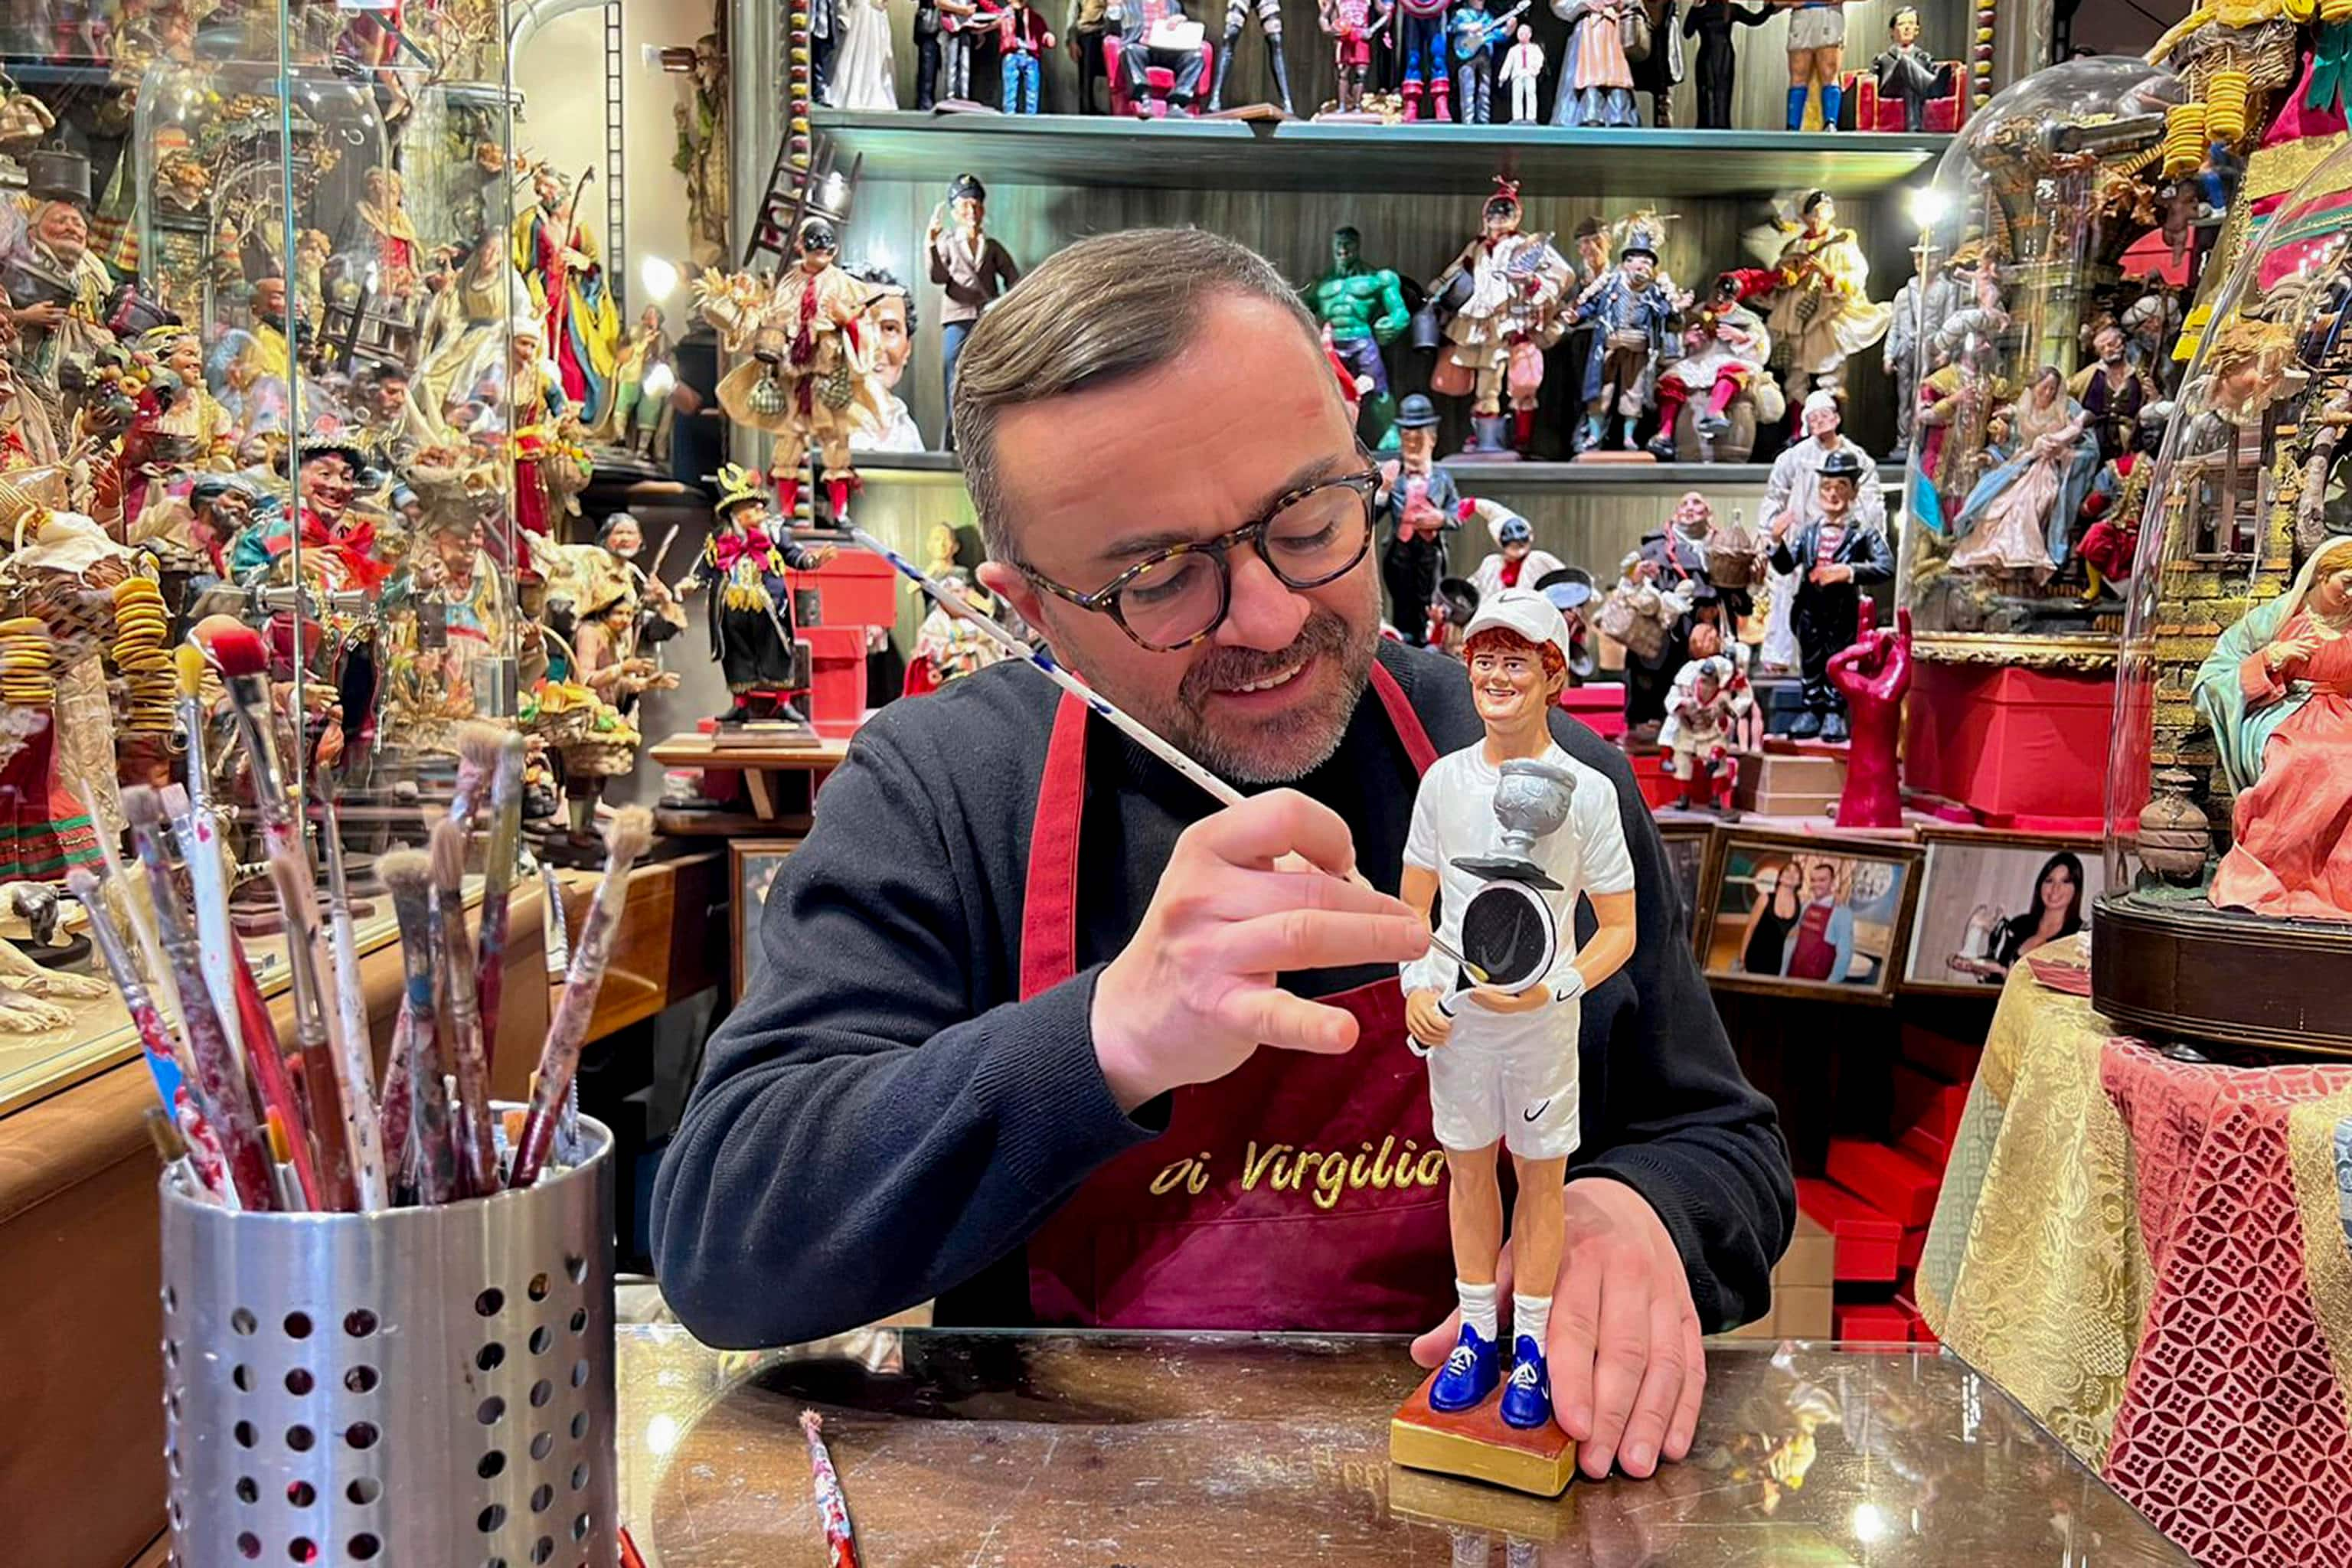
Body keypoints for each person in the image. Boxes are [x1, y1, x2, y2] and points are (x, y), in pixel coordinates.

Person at [652, 228, 1793, 1485]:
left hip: (1490, 1495)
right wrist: (1105, 1037)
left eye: (1307, 516)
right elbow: (723, 1237)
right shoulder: (941, 788)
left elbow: (1719, 1143)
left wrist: (1634, 1214)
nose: (1270, 616)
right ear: (1027, 606)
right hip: (1068, 1512)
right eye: (1155, 575)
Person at [1400, 589, 1638, 1430]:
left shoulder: (1590, 789)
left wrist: (1558, 985)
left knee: (1541, 1178)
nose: (1497, 676)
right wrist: (1418, 987)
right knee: (1467, 1169)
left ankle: (1530, 1344)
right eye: (1486, 660)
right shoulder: (1441, 782)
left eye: (1516, 661)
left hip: (1542, 1027)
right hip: (1461, 1026)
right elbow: (1413, 912)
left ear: (1552, 674)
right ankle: (1477, 1331)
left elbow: (1619, 928)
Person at [2198, 535, 2352, 920]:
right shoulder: (2280, 617)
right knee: (2304, 759)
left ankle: (2337, 886)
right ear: (2322, 574)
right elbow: (2214, 676)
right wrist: (2270, 657)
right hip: (2290, 712)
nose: (2351, 594)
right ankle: (2267, 876)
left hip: (2346, 714)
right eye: (2346, 582)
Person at [1767, 445, 1893, 740]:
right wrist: (1776, 541)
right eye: (1826, 488)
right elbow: (1786, 566)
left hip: (1842, 614)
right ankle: (1812, 709)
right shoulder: (1809, 532)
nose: (1832, 495)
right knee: (1811, 660)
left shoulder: (1863, 533)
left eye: (1840, 487)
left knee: (1838, 660)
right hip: (1810, 610)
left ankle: (1835, 713)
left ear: (1853, 491)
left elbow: (1885, 566)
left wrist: (1848, 572)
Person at [1759, 390, 1881, 675]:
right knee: (1789, 596)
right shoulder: (1794, 457)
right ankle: (1781, 656)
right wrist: (1770, 530)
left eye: (1825, 415)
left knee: (1840, 607)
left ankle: (1841, 665)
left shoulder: (1857, 458)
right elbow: (1775, 493)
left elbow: (1872, 500)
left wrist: (1859, 532)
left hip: (1839, 543)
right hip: (1803, 537)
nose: (1820, 422)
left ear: (1837, 418)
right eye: (1813, 418)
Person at [1949, 365, 2099, 580]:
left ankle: (2019, 559)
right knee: (1995, 505)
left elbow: (2087, 447)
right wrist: (1991, 456)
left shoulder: (2068, 409)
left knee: (2030, 503)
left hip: (2049, 470)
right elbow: (2013, 447)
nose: (2048, 393)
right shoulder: (2023, 408)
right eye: (2044, 387)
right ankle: (1993, 557)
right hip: (2021, 465)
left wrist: (2063, 453)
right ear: (2033, 386)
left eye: (2053, 389)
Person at [928, 175, 1021, 449]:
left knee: (989, 373)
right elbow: (937, 276)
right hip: (957, 317)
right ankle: (953, 436)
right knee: (952, 374)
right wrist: (931, 244)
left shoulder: (991, 247)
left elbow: (1014, 279)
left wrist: (1004, 305)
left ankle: (985, 436)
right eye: (966, 206)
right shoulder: (947, 243)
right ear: (955, 211)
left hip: (986, 320)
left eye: (977, 205)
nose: (972, 212)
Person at [1378, 394, 1462, 645]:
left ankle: (1427, 640)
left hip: (1429, 551)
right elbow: (1371, 517)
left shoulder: (1443, 480)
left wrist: (1441, 518)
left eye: (1419, 440)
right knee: (1401, 598)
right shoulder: (1396, 479)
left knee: (1427, 598)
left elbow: (1458, 515)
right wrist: (1383, 491)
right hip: (1400, 549)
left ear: (1432, 440)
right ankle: (1404, 640)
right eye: (1407, 440)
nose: (1412, 446)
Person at [1947, 851, 2084, 983]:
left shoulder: (2080, 937)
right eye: (2049, 881)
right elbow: (1994, 976)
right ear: (2040, 885)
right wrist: (1976, 965)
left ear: (2076, 889)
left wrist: (2006, 973)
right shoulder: (2018, 925)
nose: (2055, 889)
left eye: (2065, 882)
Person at [847, 266, 925, 453]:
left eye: (890, 329)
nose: (876, 346)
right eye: (862, 327)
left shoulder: (905, 428)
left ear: (907, 349)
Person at [1682, 0, 1769, 129]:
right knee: (1706, 93)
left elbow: (1755, 19)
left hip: (1724, 56)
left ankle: (1722, 127)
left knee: (1723, 93)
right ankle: (1706, 128)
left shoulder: (1730, 9)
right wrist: (1694, 8)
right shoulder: (1701, 9)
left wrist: (1771, 7)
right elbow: (1687, 33)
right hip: (1707, 56)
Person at [1468, 504, 1566, 603]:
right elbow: (1474, 591)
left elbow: (1567, 583)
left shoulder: (1540, 560)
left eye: (1520, 541)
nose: (1517, 544)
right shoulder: (1491, 564)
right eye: (1512, 543)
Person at [1779, 859, 1854, 982]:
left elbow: (1844, 956)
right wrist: (1783, 973)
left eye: (1822, 880)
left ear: (1832, 882)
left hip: (1816, 983)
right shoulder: (1806, 905)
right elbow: (1792, 938)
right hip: (1792, 975)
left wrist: (1829, 988)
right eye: (1813, 880)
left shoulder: (1842, 913)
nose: (1816, 884)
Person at [1739, 860, 1798, 975]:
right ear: (1780, 877)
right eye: (1787, 870)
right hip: (1755, 957)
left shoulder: (1800, 902)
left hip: (1777, 963)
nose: (1791, 874)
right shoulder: (1765, 898)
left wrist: (1837, 896)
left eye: (1796, 872)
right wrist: (1742, 958)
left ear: (1799, 880)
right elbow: (1750, 929)